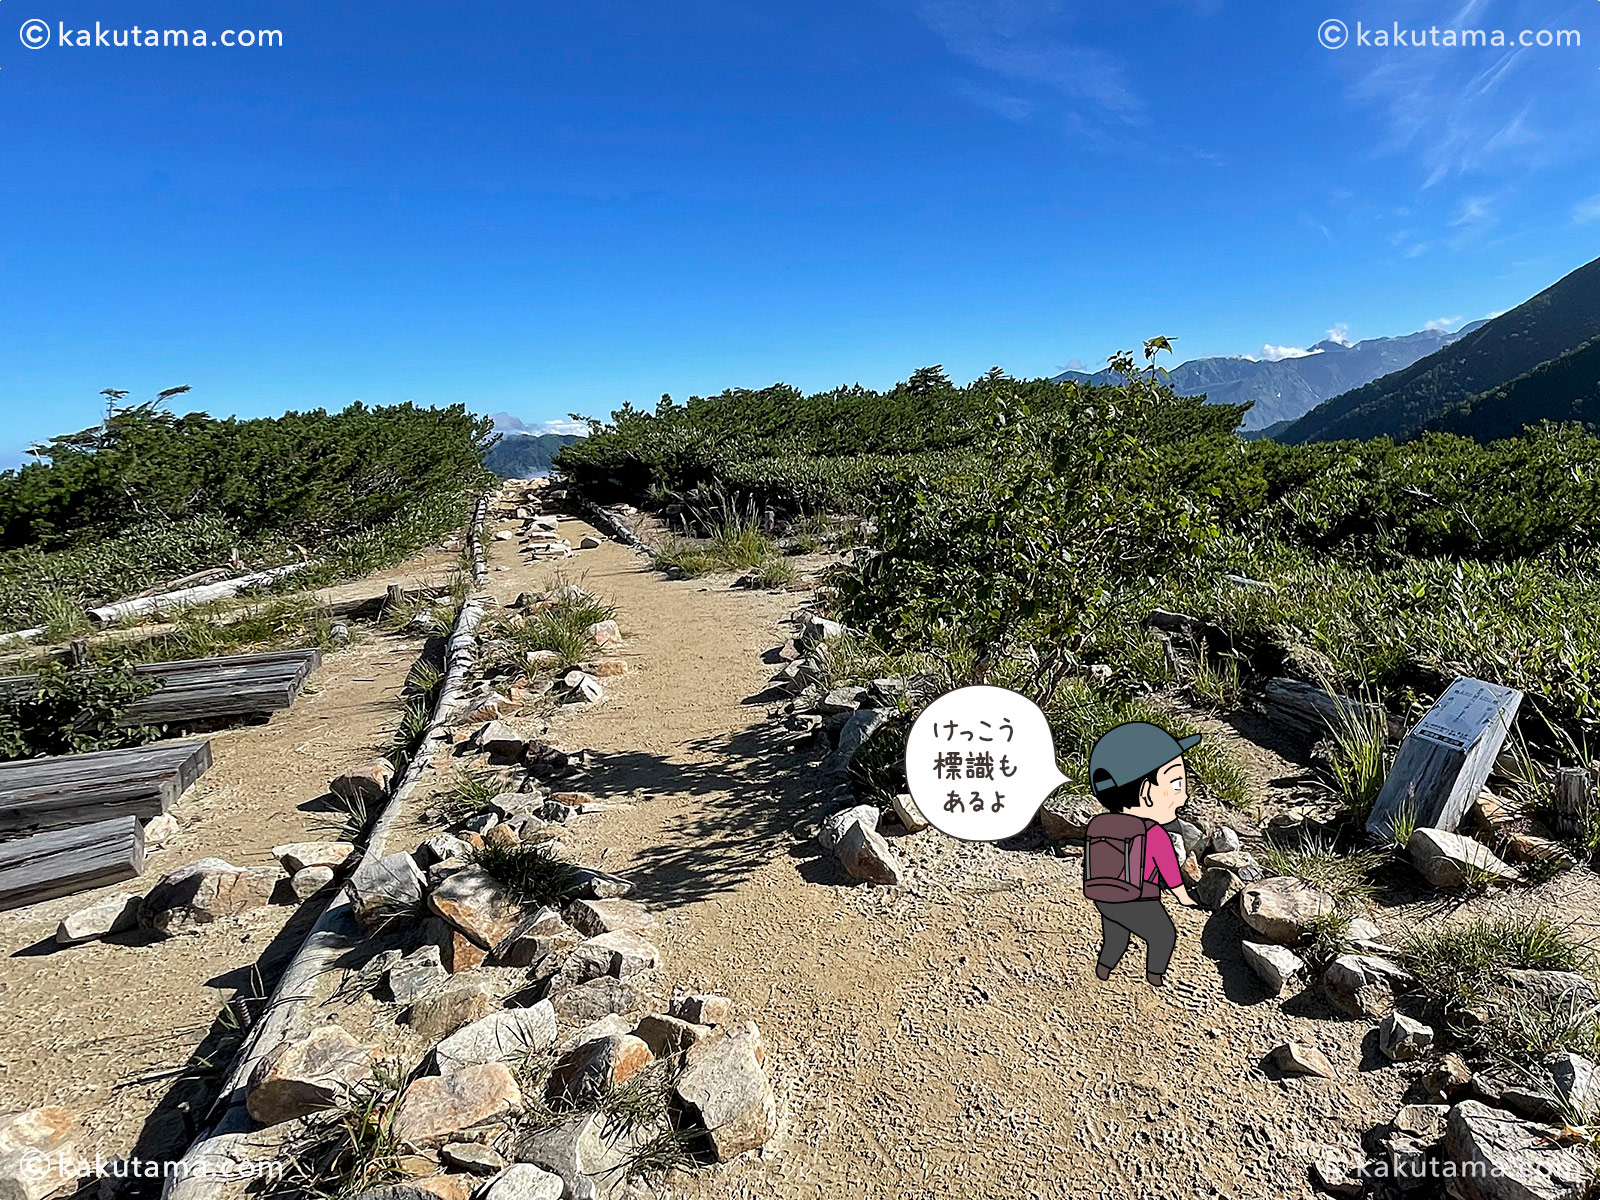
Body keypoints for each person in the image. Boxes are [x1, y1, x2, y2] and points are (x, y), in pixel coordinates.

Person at [1081, 722, 1202, 988]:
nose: (1183, 796)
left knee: (1116, 935)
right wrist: (1183, 897)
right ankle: (1155, 977)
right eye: (1176, 784)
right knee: (1163, 936)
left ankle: (1104, 968)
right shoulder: (1153, 832)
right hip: (1138, 898)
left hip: (1104, 895)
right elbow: (1169, 869)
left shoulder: (1101, 823)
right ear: (1147, 793)